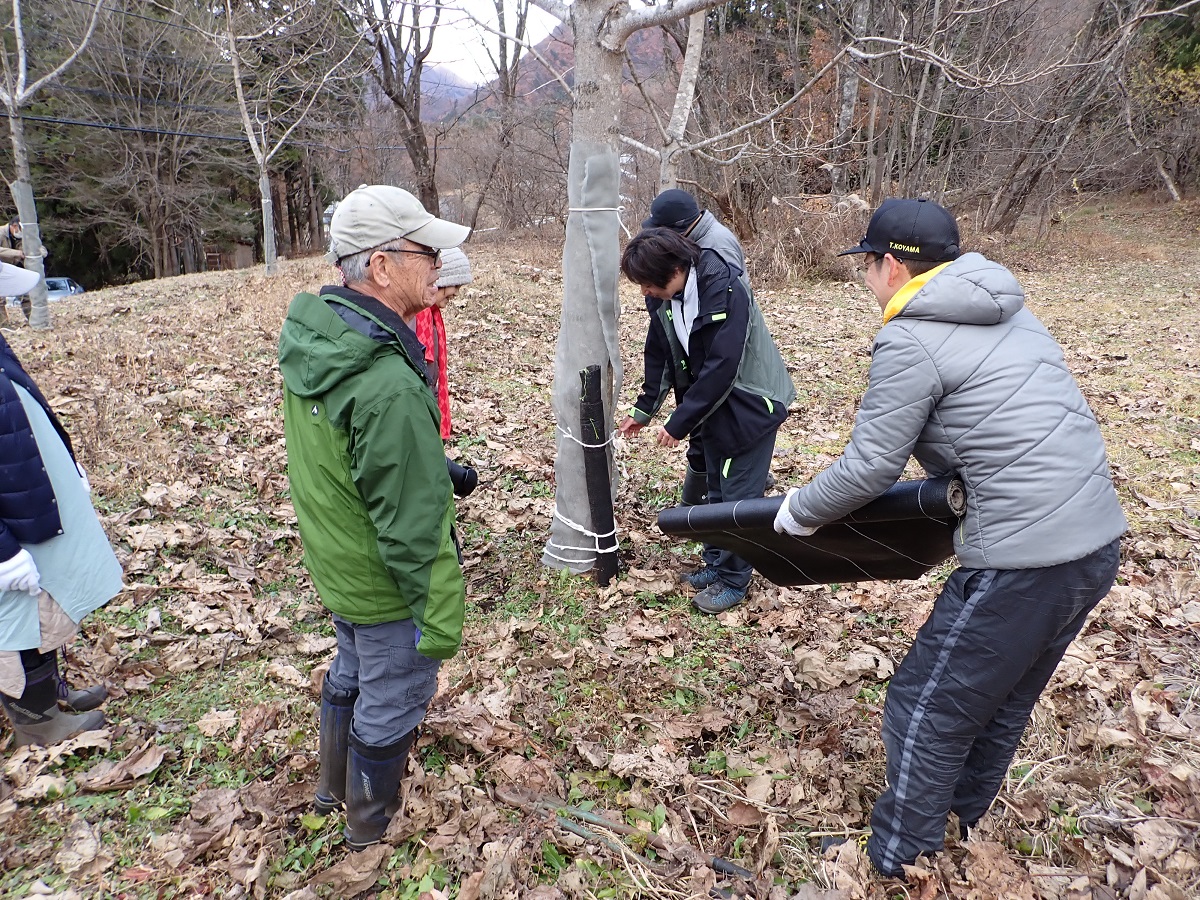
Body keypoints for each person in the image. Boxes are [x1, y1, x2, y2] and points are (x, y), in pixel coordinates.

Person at [772, 199, 1127, 876]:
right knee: (1000, 701)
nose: (866, 281)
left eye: (867, 266)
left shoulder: (911, 335)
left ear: (892, 265)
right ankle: (955, 822)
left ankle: (900, 858)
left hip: (1027, 557)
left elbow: (871, 466)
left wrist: (798, 513)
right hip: (1095, 541)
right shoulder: (1005, 307)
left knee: (925, 706)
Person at [278, 185, 470, 849]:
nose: (439, 264)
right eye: (427, 251)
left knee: (352, 671)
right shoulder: (383, 379)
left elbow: (346, 453)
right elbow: (413, 530)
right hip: (384, 583)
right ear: (381, 266)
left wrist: (432, 465)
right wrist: (440, 619)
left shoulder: (321, 341)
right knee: (392, 693)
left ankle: (332, 791)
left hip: (338, 562)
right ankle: (369, 826)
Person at [618, 228, 795, 614]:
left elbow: (722, 366)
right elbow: (660, 352)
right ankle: (716, 565)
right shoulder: (664, 298)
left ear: (677, 268)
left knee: (738, 498)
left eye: (649, 283)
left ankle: (734, 580)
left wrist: (679, 421)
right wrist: (645, 410)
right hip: (712, 405)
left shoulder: (726, 290)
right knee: (714, 490)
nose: (644, 292)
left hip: (751, 404)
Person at [0, 262, 121, 747]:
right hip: (12, 523)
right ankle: (36, 718)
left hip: (25, 502)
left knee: (46, 603)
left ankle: (50, 692)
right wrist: (4, 554)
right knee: (19, 613)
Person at [642, 190, 753, 507]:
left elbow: (727, 325)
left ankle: (700, 506)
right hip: (700, 355)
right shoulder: (683, 254)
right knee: (702, 430)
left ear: (679, 230)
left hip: (724, 359)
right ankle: (702, 500)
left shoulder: (717, 248)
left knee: (713, 431)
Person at [413, 246, 471, 440]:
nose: (456, 293)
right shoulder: (417, 318)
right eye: (457, 285)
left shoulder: (433, 316)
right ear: (442, 280)